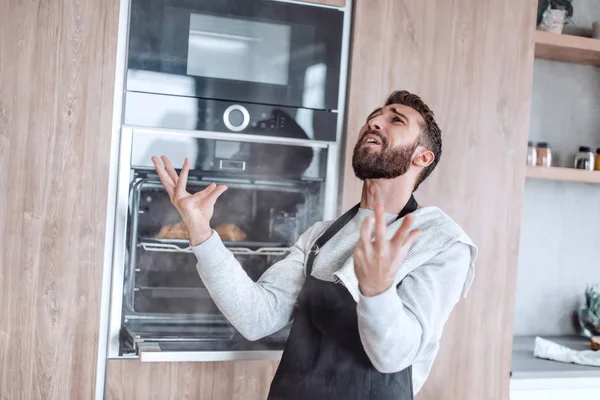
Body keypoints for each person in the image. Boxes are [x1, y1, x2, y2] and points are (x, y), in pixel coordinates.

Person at [152, 90, 477, 400]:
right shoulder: (321, 237)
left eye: (396, 120)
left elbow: (392, 358)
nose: (375, 122)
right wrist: (200, 232)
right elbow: (255, 318)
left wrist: (378, 292)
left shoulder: (440, 243)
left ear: (423, 156)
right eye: (374, 116)